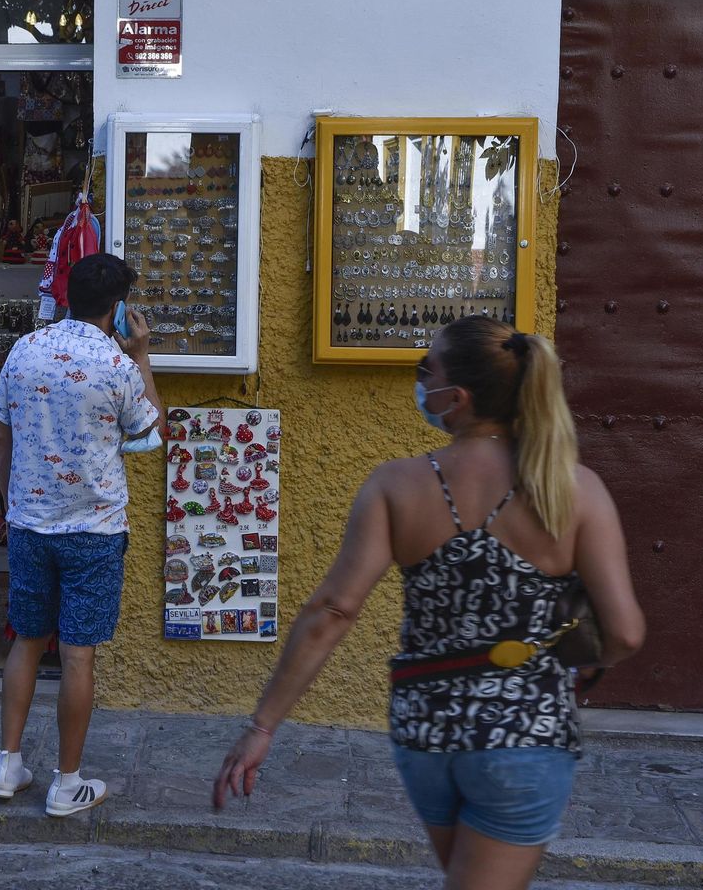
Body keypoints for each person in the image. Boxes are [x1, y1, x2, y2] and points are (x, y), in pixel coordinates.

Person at [214, 316, 644, 890]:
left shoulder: (396, 486)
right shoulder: (572, 488)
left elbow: (333, 611)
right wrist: (571, 653)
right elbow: (625, 633)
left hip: (426, 734)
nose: (420, 380)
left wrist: (262, 726)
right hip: (524, 733)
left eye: (427, 369)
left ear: (457, 398)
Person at [0, 252, 161, 817]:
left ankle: (8, 763)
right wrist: (144, 358)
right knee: (78, 652)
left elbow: (0, 438)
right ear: (117, 307)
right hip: (93, 529)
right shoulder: (117, 366)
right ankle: (67, 783)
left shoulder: (24, 350)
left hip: (29, 524)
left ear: (66, 295)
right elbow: (148, 432)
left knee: (28, 640)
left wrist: (14, 497)